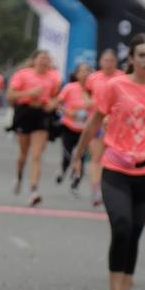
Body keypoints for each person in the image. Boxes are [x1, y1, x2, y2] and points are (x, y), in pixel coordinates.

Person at [70, 34, 145, 290]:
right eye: (141, 55)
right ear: (131, 58)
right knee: (122, 225)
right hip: (116, 168)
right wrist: (78, 156)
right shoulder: (114, 86)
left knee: (135, 234)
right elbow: (94, 122)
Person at [7, 49, 62, 206]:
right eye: (41, 58)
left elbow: (57, 97)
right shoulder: (23, 74)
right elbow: (10, 95)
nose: (44, 61)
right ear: (34, 60)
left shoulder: (54, 77)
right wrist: (29, 92)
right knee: (23, 154)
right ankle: (18, 177)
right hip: (25, 112)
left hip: (42, 114)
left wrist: (53, 104)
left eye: (47, 59)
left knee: (36, 155)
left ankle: (34, 190)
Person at [84, 49, 124, 208]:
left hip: (117, 124)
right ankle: (96, 191)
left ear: (116, 62)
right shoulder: (93, 78)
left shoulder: (122, 77)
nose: (108, 64)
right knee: (96, 158)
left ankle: (114, 189)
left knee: (115, 159)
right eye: (105, 60)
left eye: (111, 61)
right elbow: (86, 93)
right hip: (97, 123)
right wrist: (88, 102)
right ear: (100, 62)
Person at [55, 62, 93, 194]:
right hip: (68, 127)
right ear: (77, 74)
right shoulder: (70, 88)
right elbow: (58, 104)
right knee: (68, 156)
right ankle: (64, 170)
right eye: (81, 71)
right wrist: (68, 112)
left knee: (81, 156)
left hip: (85, 129)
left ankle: (75, 184)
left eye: (87, 70)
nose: (84, 73)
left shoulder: (94, 90)